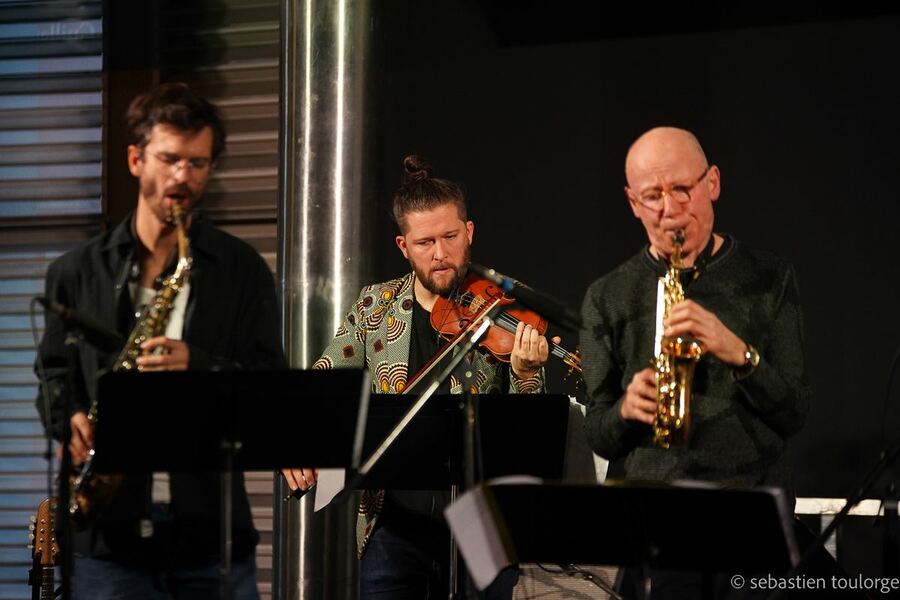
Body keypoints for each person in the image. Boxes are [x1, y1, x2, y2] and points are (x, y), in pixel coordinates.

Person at [35, 82, 284, 599]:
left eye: (198, 163)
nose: (182, 178)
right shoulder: (75, 272)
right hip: (109, 541)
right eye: (170, 159)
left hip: (211, 536)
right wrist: (70, 418)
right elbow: (54, 374)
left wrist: (199, 363)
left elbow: (269, 387)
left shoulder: (241, 270)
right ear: (135, 159)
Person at [283, 155, 552, 599]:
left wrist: (526, 375)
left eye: (450, 237)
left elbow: (525, 432)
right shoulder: (375, 307)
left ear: (469, 232)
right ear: (403, 246)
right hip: (393, 522)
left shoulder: (504, 304)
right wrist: (296, 438)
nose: (441, 254)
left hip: (482, 521)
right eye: (425, 242)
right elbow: (322, 384)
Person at [580, 127, 811, 597]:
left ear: (713, 183)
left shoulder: (770, 277)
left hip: (751, 521)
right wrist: (626, 410)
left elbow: (795, 412)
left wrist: (739, 354)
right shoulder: (606, 295)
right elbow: (597, 431)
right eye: (652, 197)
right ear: (631, 202)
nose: (668, 211)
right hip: (654, 530)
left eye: (682, 189)